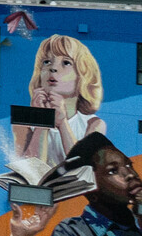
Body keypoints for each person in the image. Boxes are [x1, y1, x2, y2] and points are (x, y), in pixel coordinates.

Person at [46, 134, 142, 236]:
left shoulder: (138, 222)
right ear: (92, 193)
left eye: (128, 165)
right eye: (113, 171)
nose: (130, 175)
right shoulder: (71, 234)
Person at [14, 35, 107, 165]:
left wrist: (62, 123)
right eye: (46, 62)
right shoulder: (22, 122)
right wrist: (42, 120)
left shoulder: (94, 124)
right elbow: (30, 169)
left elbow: (82, 166)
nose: (53, 68)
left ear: (82, 77)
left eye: (66, 63)